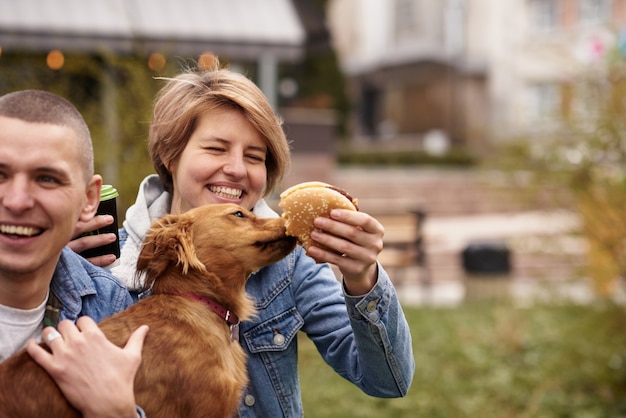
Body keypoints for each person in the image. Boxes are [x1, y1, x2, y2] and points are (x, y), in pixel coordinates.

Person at [72, 57, 415, 417]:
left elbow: (387, 381)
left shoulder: (288, 260)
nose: (236, 169)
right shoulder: (109, 263)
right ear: (170, 155)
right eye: (216, 148)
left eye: (254, 156)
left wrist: (363, 277)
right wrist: (52, 274)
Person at [0, 89, 148, 418]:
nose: (17, 201)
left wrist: (118, 412)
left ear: (89, 200)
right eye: (0, 175)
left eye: (47, 179)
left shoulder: (110, 305)